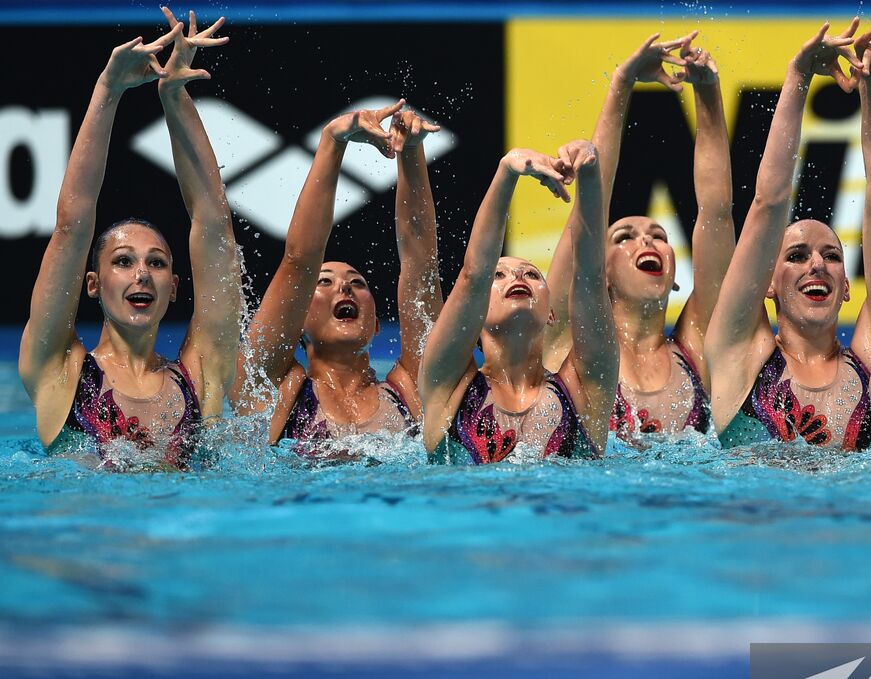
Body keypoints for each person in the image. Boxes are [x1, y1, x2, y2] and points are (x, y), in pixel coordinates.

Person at [20, 12, 241, 470]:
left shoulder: (201, 374)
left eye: (157, 263)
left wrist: (174, 96)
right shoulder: (60, 370)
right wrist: (108, 91)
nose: (142, 272)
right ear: (94, 284)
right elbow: (70, 227)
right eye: (123, 261)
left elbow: (214, 225)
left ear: (175, 287)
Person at [705, 21, 871, 452]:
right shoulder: (740, 354)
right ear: (768, 283)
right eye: (796, 255)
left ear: (848, 290)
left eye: (831, 256)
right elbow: (768, 202)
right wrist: (798, 78)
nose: (816, 264)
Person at [544, 34, 733, 442]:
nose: (646, 242)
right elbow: (588, 214)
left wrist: (708, 94)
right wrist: (621, 84)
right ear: (600, 272)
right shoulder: (567, 344)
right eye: (624, 237)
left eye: (658, 235)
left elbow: (716, 214)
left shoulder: (699, 347)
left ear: (674, 273)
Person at [231, 100, 442, 455]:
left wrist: (411, 152)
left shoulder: (411, 391)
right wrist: (333, 140)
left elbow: (422, 269)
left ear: (377, 324)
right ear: (297, 320)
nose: (344, 286)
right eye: (324, 282)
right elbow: (299, 261)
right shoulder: (274, 387)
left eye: (357, 282)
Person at [418, 140, 616, 463]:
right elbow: (472, 276)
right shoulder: (449, 383)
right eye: (499, 276)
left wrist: (591, 175)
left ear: (551, 313)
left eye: (532, 275)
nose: (518, 278)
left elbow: (591, 277)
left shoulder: (584, 389)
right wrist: (507, 170)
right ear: (475, 311)